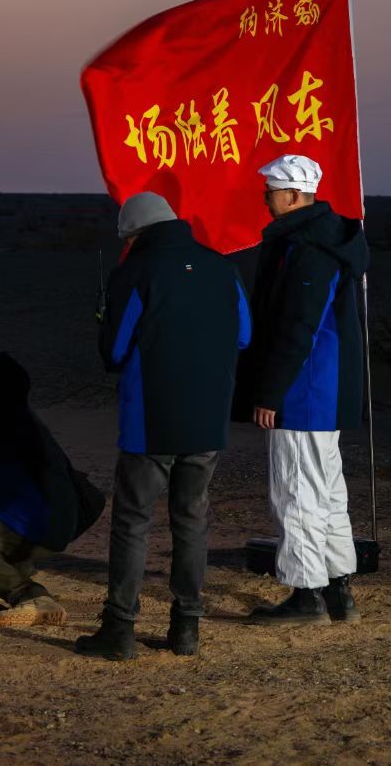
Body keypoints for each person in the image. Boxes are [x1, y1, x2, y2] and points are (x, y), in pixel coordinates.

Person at [75, 192, 250, 660]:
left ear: (135, 234)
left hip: (150, 420)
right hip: (209, 417)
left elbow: (113, 353)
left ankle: (120, 629)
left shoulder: (134, 272)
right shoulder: (221, 268)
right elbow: (245, 333)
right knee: (192, 519)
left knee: (134, 521)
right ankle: (186, 626)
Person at [238, 154, 369, 625]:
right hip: (325, 389)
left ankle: (306, 593)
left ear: (293, 195)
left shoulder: (307, 248)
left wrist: (270, 392)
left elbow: (298, 327)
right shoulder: (329, 241)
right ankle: (337, 589)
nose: (265, 198)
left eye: (271, 191)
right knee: (327, 490)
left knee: (296, 490)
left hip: (305, 390)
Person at [0, 352, 105, 627]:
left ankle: (29, 596)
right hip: (62, 520)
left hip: (35, 524)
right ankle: (12, 571)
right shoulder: (24, 419)